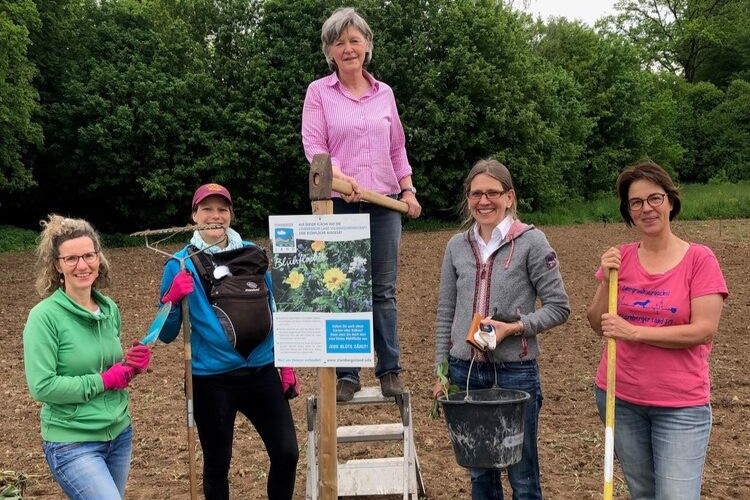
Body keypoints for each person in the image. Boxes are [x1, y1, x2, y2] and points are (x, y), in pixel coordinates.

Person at [586, 162, 728, 500]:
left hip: (680, 406)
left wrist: (634, 332)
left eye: (654, 198)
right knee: (644, 493)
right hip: (620, 398)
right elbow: (597, 322)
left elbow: (703, 330)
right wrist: (606, 280)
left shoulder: (699, 260)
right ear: (628, 212)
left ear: (670, 201)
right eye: (636, 202)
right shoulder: (619, 259)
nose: (646, 208)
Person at [302, 6, 421, 402]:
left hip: (384, 203)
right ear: (330, 52)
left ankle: (390, 369)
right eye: (340, 42)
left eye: (355, 40)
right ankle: (348, 374)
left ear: (367, 46)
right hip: (337, 204)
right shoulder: (319, 93)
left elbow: (397, 146)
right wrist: (339, 177)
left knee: (382, 291)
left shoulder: (384, 93)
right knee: (342, 290)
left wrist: (407, 191)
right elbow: (314, 147)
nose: (348, 48)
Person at [433, 159, 570, 500]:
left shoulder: (532, 242)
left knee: (522, 475)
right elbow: (445, 312)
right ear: (468, 199)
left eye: (492, 193)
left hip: (516, 374)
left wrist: (516, 328)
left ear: (509, 197)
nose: (484, 201)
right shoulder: (456, 246)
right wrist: (441, 369)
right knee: (480, 473)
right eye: (476, 193)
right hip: (466, 372)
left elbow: (559, 307)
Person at [157, 183, 299, 500]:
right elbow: (166, 334)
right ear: (194, 215)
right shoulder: (178, 264)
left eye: (222, 209)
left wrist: (285, 363)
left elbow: (276, 310)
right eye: (207, 209)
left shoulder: (254, 253)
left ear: (230, 214)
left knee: (287, 454)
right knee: (218, 465)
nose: (215, 216)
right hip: (211, 380)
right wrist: (172, 298)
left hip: (262, 373)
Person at [23, 215, 151, 499]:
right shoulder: (44, 317)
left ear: (98, 258)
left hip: (119, 434)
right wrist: (105, 380)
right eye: (71, 259)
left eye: (88, 255)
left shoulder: (109, 309)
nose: (82, 265)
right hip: (72, 441)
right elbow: (42, 386)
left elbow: (109, 368)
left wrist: (130, 366)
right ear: (57, 265)